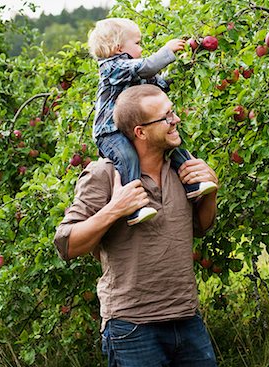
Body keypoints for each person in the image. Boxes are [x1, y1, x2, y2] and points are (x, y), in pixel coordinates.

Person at [54, 85, 220, 367]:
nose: (176, 120)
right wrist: (115, 209)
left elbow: (199, 228)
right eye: (166, 117)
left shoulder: (180, 167)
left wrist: (210, 192)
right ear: (140, 132)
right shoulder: (105, 174)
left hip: (187, 318)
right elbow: (66, 243)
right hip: (132, 327)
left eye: (173, 111)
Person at [88, 17, 217, 226]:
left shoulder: (137, 72)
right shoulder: (114, 67)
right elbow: (148, 67)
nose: (142, 48)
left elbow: (162, 82)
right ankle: (134, 206)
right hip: (110, 131)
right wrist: (168, 51)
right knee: (128, 158)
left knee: (173, 142)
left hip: (133, 127)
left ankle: (193, 184)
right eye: (137, 43)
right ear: (118, 47)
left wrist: (189, 59)